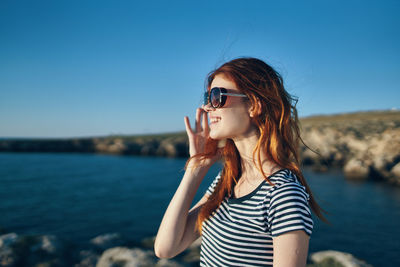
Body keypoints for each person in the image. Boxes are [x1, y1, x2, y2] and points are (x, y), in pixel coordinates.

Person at [154, 57, 326, 266]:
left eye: (217, 96)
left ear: (253, 105)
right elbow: (166, 248)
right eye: (207, 97)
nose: (208, 107)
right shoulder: (228, 179)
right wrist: (195, 169)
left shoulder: (283, 194)